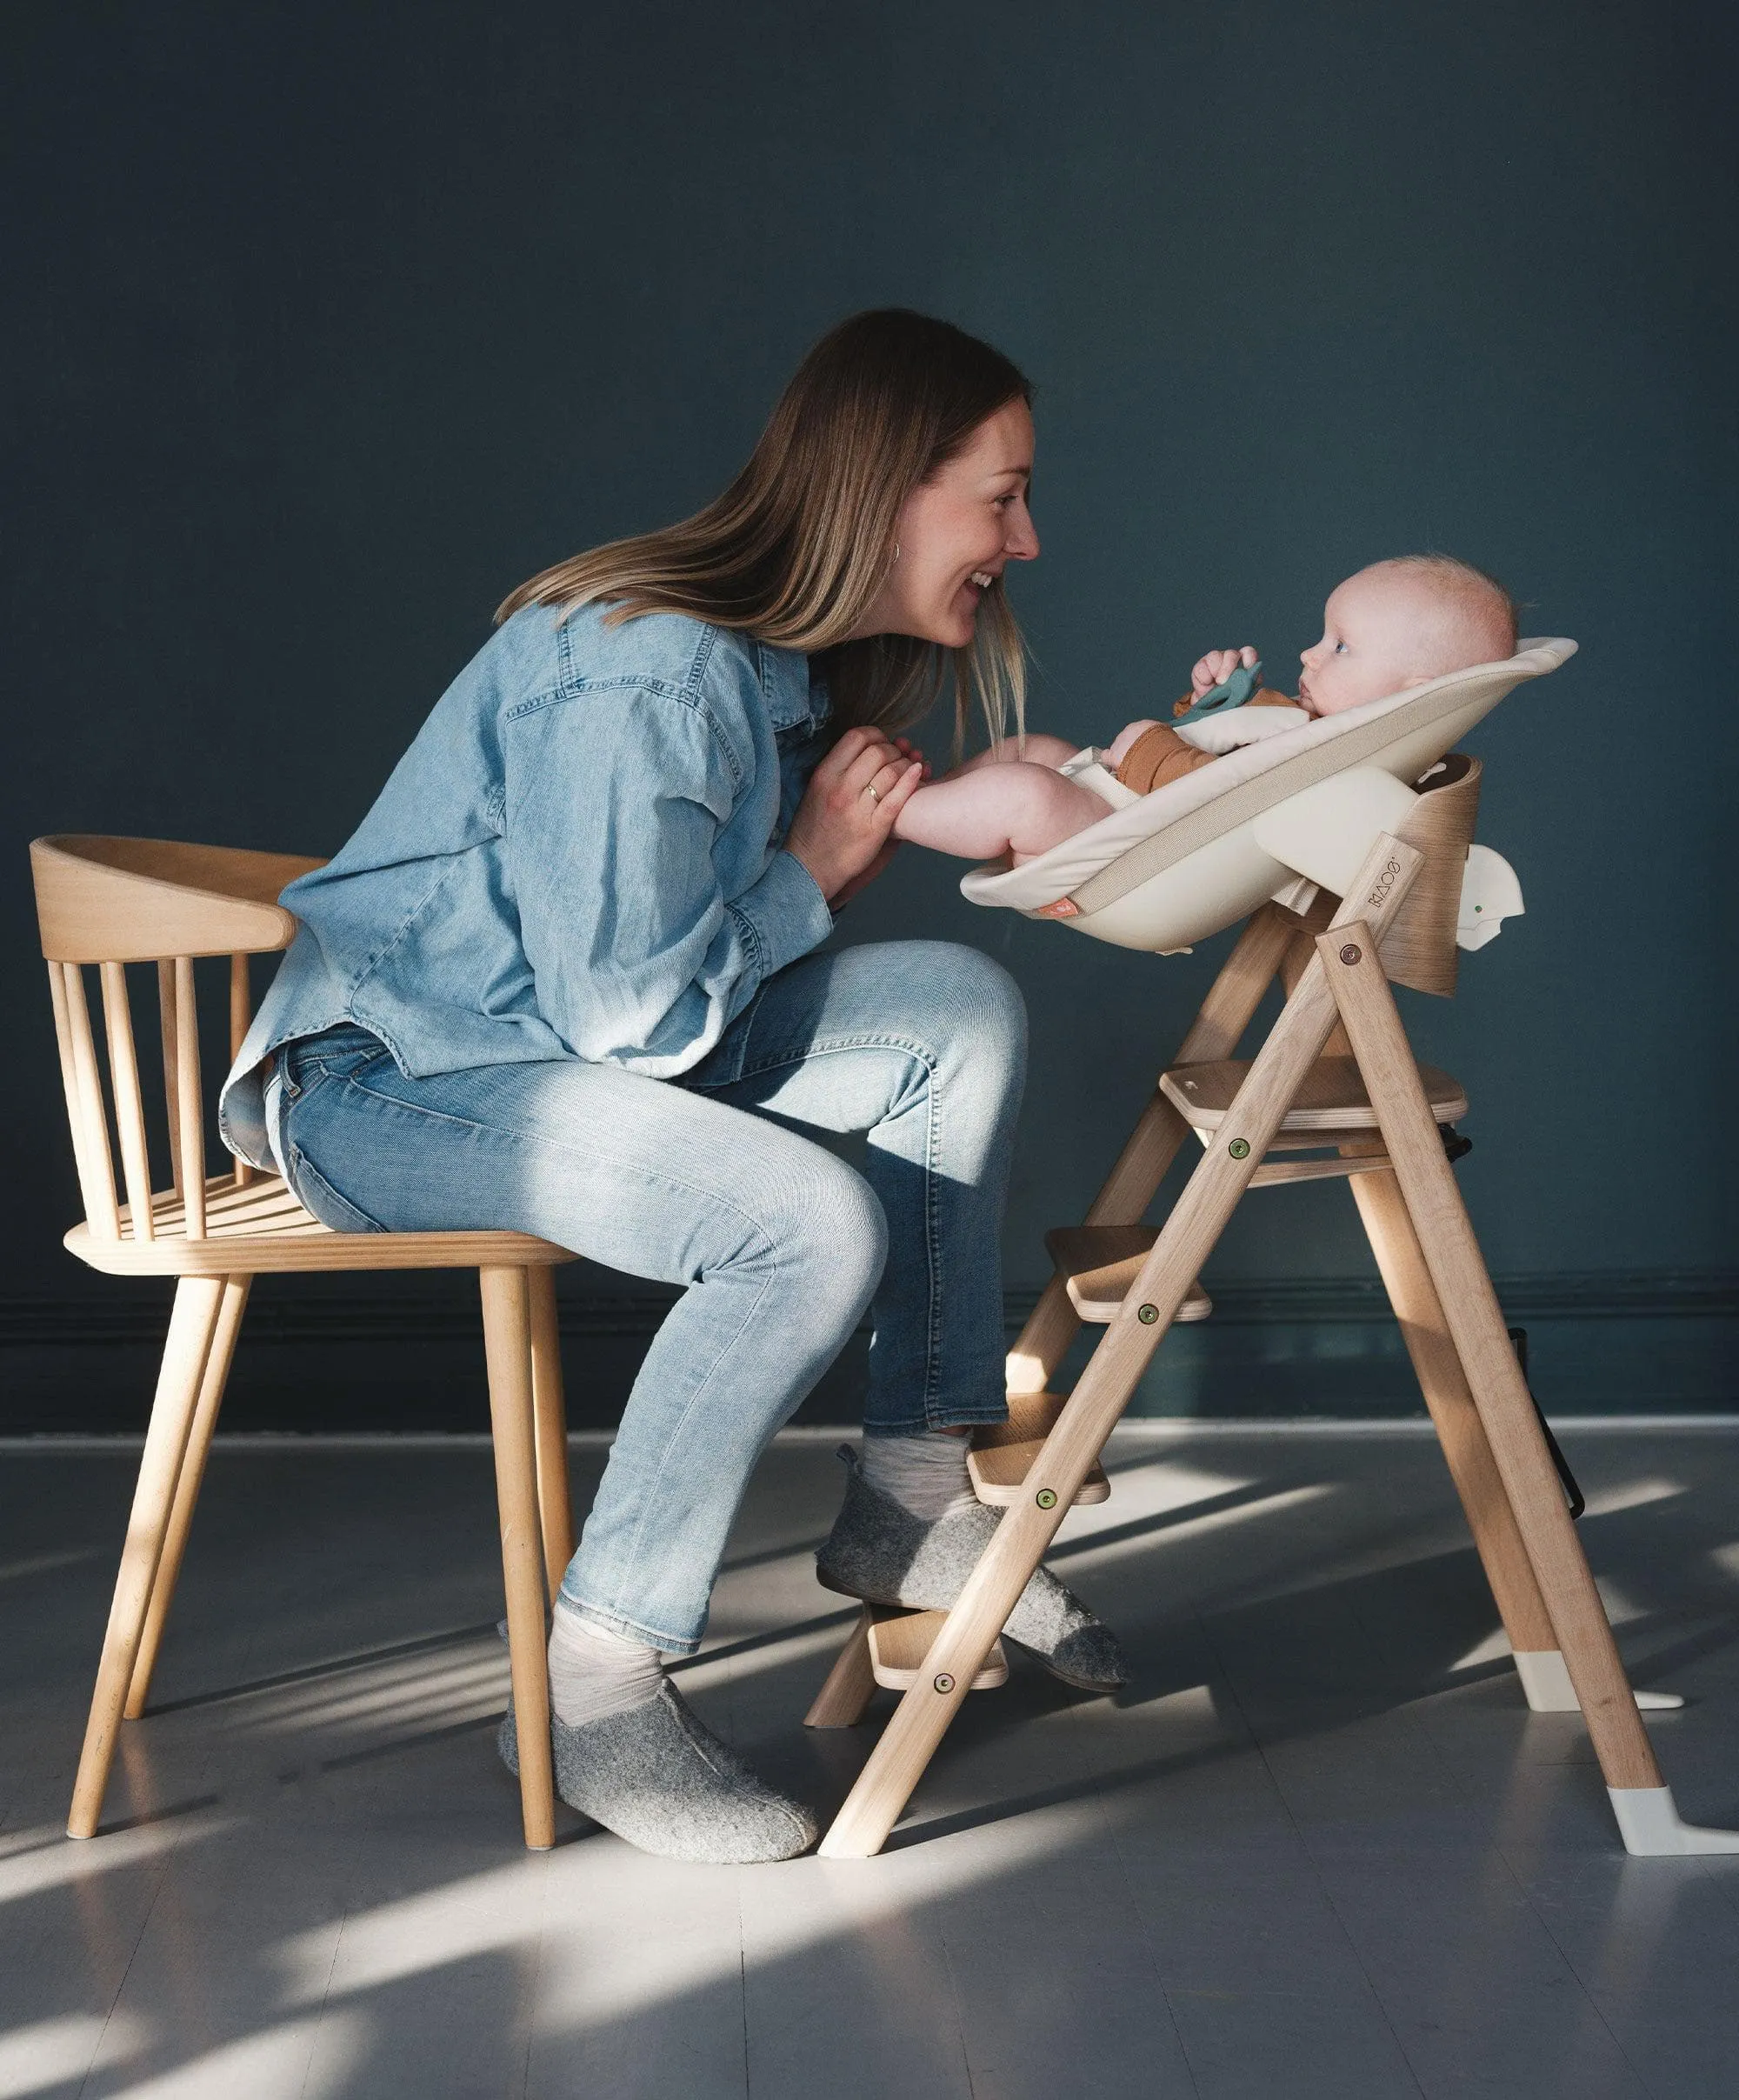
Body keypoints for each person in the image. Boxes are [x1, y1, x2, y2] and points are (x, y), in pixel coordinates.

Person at [219, 310, 1128, 1865]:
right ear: (888, 489)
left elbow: (667, 995)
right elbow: (637, 1019)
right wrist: (819, 867)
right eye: (1002, 495)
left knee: (952, 1010)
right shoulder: (648, 674)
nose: (1027, 538)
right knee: (801, 1223)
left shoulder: (773, 677)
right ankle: (596, 1686)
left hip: (547, 1057)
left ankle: (909, 1490)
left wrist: (983, 802)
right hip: (393, 1088)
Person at [889, 555, 1519, 864]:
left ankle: (885, 808)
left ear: (1413, 692)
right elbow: (1210, 740)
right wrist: (1215, 694)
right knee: (1032, 751)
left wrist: (1145, 748)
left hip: (1133, 844)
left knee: (1025, 793)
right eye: (1323, 635)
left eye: (1341, 646)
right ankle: (924, 794)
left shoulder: (1326, 767)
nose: (1310, 652)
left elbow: (1213, 799)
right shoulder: (1304, 721)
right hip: (1118, 794)